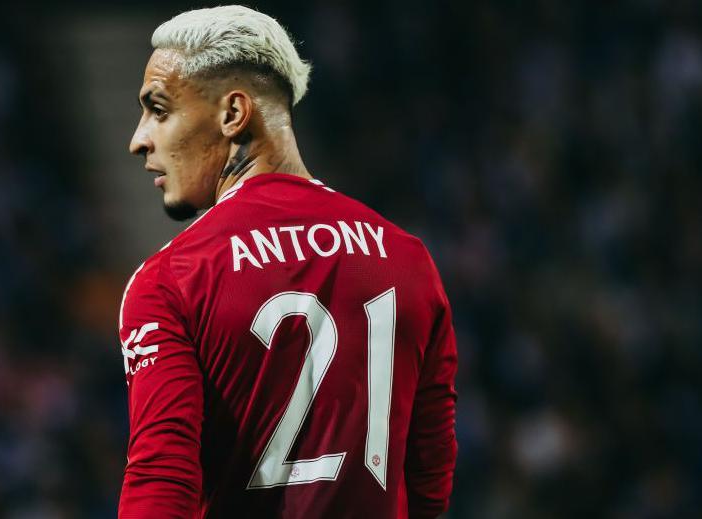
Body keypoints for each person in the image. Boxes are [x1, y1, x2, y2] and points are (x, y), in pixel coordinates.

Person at [119, 6, 457, 518]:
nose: (139, 138)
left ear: (233, 114)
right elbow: (429, 478)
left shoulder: (172, 280)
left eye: (159, 110)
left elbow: (161, 479)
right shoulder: (407, 259)